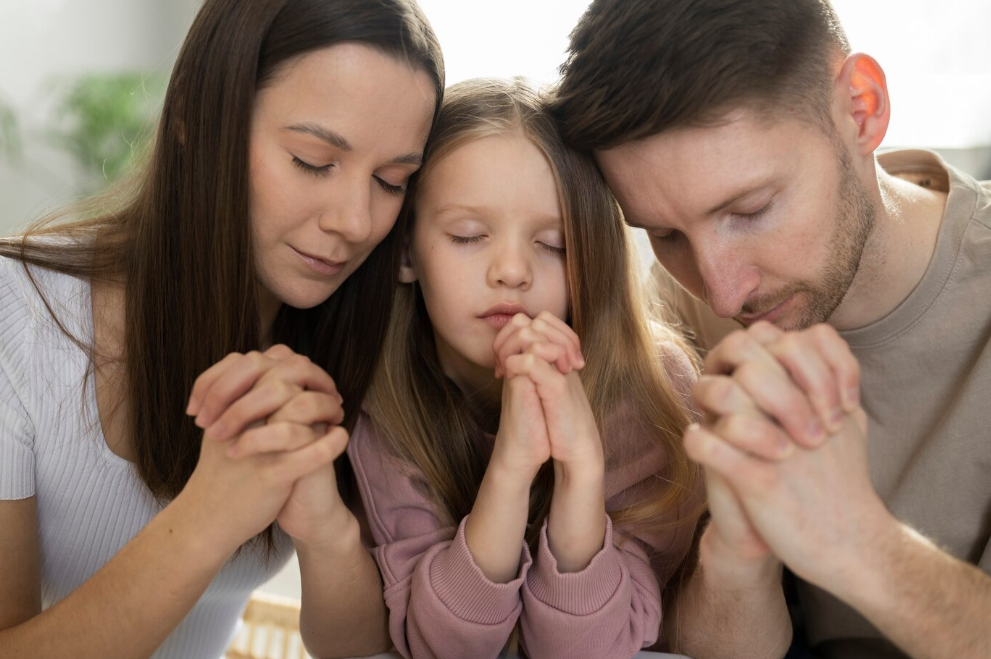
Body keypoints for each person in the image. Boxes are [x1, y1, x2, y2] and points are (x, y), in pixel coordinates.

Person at [0, 1, 443, 657]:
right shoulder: (21, 315)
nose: (355, 220)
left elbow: (358, 647)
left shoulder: (370, 338)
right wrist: (208, 516)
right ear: (190, 115)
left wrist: (327, 531)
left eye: (390, 180)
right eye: (312, 160)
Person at [550, 1, 991, 658]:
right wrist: (736, 549)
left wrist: (859, 542)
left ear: (860, 109)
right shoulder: (679, 304)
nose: (723, 292)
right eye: (664, 234)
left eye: (749, 210)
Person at [329, 77, 705, 659]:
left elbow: (588, 649)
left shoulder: (651, 390)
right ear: (406, 252)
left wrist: (580, 470)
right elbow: (442, 647)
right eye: (468, 235)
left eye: (552, 245)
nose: (511, 270)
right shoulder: (383, 405)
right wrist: (511, 466)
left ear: (593, 259)